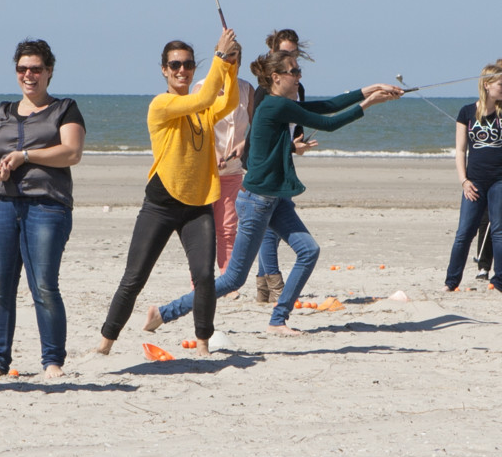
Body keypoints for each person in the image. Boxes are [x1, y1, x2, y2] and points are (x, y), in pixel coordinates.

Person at [146, 49, 402, 336]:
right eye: (294, 71)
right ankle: (164, 312)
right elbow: (328, 122)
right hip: (256, 202)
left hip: (274, 199)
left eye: (298, 71)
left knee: (308, 251)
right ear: (276, 78)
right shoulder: (274, 105)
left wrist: (371, 88)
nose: (299, 77)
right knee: (232, 280)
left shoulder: (282, 102)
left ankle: (278, 319)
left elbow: (325, 105)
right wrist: (369, 103)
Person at [98, 28, 239, 357]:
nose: (181, 70)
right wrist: (219, 57)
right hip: (161, 204)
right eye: (174, 65)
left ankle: (203, 345)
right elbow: (203, 98)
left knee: (204, 276)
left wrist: (230, 66)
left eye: (188, 64)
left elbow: (226, 101)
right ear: (164, 69)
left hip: (198, 204)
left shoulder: (202, 110)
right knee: (134, 277)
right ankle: (105, 345)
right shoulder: (162, 104)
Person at [0, 39, 85, 379]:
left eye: (36, 69)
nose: (29, 75)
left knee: (43, 285)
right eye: (22, 69)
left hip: (47, 206)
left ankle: (52, 361)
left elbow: (71, 152)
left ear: (49, 72)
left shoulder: (65, 108)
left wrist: (26, 156)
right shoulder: (3, 111)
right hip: (1, 205)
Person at [245, 29, 317, 305]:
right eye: (285, 53)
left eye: (294, 54)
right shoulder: (266, 92)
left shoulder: (297, 88)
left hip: (283, 159)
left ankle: (264, 288)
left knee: (272, 224)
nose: (291, 59)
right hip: (265, 164)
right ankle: (273, 283)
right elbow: (263, 131)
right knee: (268, 225)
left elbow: (296, 123)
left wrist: (296, 142)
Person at [191, 39, 255, 299]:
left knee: (228, 227)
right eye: (227, 56)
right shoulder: (202, 88)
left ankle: (228, 280)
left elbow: (255, 129)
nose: (232, 62)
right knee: (203, 229)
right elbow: (195, 130)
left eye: (236, 57)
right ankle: (199, 282)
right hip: (206, 170)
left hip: (233, 169)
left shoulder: (247, 89)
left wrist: (243, 144)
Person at [443, 63, 502, 293]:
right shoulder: (466, 112)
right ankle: (451, 282)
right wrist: (464, 181)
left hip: (499, 181)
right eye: (500, 85)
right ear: (487, 85)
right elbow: (460, 151)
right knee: (464, 232)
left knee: (498, 231)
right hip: (474, 182)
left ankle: (498, 281)